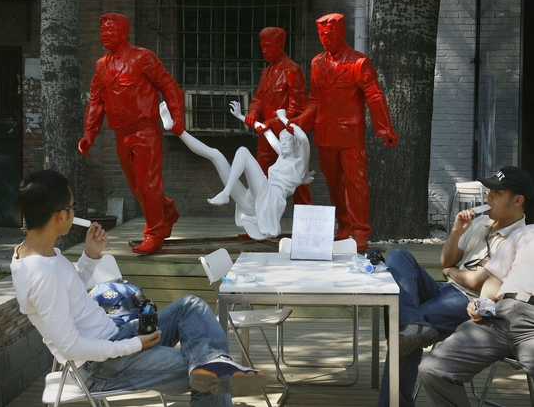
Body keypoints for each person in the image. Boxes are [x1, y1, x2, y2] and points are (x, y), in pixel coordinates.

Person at [11, 169, 267, 407]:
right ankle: (214, 369)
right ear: (61, 216)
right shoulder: (41, 275)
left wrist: (90, 255)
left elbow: (70, 291)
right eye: (73, 206)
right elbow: (71, 348)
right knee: (208, 374)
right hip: (101, 365)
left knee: (191, 307)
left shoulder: (40, 254)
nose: (75, 210)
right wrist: (135, 345)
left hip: (114, 337)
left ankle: (214, 364)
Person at [376, 165, 534, 407]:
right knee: (398, 256)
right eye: (489, 191)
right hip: (447, 290)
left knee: (404, 329)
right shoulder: (481, 222)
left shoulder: (520, 236)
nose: (489, 196)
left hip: (469, 300)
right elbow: (446, 261)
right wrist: (456, 232)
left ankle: (411, 327)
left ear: (517, 200)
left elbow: (475, 281)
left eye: (497, 193)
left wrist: (452, 272)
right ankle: (412, 323)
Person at [288, 13, 399, 252]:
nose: (324, 40)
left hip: (350, 136)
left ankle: (360, 231)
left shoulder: (359, 63)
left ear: (341, 34)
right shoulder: (317, 63)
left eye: (328, 35)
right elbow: (314, 100)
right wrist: (300, 122)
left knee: (356, 184)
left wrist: (384, 128)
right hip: (325, 135)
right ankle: (343, 225)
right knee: (333, 184)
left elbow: (374, 96)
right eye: (321, 35)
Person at [79, 13, 185, 255]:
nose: (104, 34)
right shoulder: (101, 65)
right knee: (137, 186)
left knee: (147, 184)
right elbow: (96, 101)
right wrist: (89, 133)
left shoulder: (142, 57)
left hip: (145, 131)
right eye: (102, 30)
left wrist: (177, 116)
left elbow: (168, 85)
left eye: (110, 30)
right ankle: (166, 211)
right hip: (121, 135)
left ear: (124, 33)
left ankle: (154, 233)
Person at [160, 101, 312, 240]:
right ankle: (175, 129)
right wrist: (240, 116)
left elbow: (304, 139)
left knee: (243, 151)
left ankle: (226, 192)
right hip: (251, 203)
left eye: (287, 141)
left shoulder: (300, 164)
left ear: (295, 144)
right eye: (282, 140)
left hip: (270, 201)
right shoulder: (282, 156)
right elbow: (265, 131)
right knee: (215, 155)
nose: (283, 143)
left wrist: (283, 118)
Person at [419, 224, 534, 407]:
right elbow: (496, 277)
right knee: (433, 369)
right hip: (500, 314)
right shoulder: (525, 233)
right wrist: (482, 302)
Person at [245, 26, 312, 206]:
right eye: (262, 47)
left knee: (298, 181)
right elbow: (258, 99)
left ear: (281, 46)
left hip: (288, 138)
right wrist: (253, 112)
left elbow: (298, 106)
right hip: (266, 138)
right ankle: (260, 219)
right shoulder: (265, 73)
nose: (264, 51)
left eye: (268, 46)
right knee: (260, 178)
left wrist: (272, 122)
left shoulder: (292, 70)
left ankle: (305, 219)